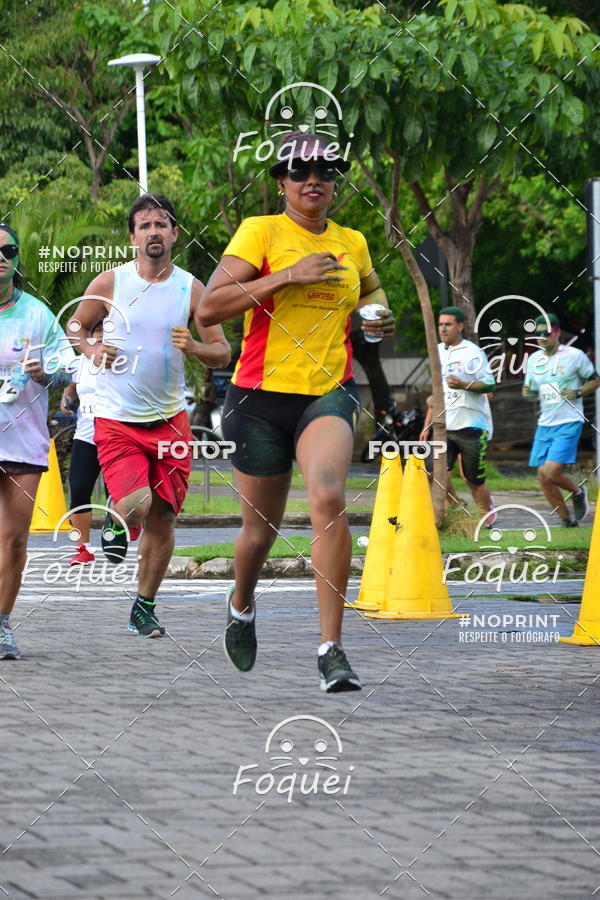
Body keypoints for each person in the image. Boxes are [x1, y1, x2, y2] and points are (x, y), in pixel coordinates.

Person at [198, 131, 394, 693]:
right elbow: (212, 306)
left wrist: (378, 317)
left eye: (326, 172)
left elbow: (373, 299)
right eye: (300, 171)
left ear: (335, 183)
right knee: (259, 534)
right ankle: (241, 604)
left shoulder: (352, 241)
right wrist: (288, 275)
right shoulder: (261, 231)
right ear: (281, 181)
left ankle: (332, 647)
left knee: (329, 497)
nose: (315, 180)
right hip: (258, 400)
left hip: (326, 392)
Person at [68, 194, 231, 637]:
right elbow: (76, 327)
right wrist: (93, 348)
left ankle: (144, 606)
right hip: (117, 417)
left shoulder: (192, 288)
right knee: (137, 506)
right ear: (133, 236)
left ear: (175, 234)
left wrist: (196, 347)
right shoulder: (110, 283)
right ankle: (117, 520)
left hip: (171, 420)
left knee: (163, 518)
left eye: (162, 224)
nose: (153, 231)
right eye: (145, 225)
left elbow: (222, 350)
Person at [0, 223, 75, 659]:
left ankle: (2, 624)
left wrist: (46, 374)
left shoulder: (37, 314)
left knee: (14, 541)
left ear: (16, 259)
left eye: (8, 250)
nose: (1, 257)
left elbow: (71, 369)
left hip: (23, 445)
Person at [420, 306, 496, 522]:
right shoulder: (436, 351)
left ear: (460, 326)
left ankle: (486, 519)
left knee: (473, 480)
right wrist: (428, 419)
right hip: (443, 425)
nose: (443, 328)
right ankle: (458, 506)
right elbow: (438, 389)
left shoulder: (473, 352)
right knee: (432, 471)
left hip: (470, 426)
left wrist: (464, 384)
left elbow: (490, 386)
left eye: (448, 324)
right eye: (441, 324)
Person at [523, 313, 600, 526]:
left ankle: (577, 491)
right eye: (537, 334)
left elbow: (594, 381)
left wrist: (577, 392)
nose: (541, 337)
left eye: (546, 333)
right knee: (542, 476)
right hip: (545, 423)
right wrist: (528, 393)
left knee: (551, 470)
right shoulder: (534, 360)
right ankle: (567, 521)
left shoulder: (574, 355)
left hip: (569, 420)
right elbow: (530, 392)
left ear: (556, 332)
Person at [61, 321, 105, 565]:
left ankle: (118, 530)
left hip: (116, 436)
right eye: (95, 334)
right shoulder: (80, 362)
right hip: (86, 435)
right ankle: (83, 548)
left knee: (117, 494)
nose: (99, 339)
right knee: (78, 488)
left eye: (104, 335)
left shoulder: (120, 362)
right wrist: (67, 398)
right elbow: (72, 387)